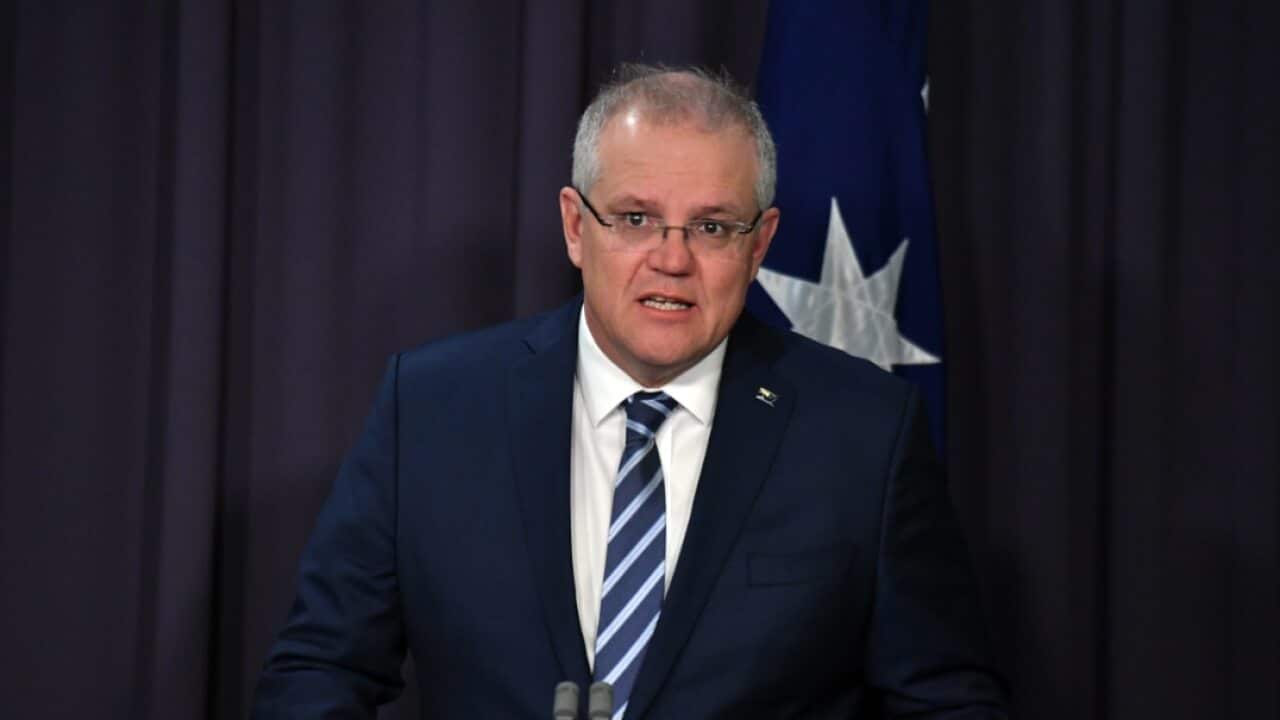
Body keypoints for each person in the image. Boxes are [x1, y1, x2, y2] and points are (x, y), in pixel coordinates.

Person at [253, 64, 1008, 719]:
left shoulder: (863, 434)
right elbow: (322, 669)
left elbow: (946, 700)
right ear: (575, 227)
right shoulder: (432, 410)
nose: (671, 259)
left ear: (760, 244)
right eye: (636, 218)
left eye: (712, 228)